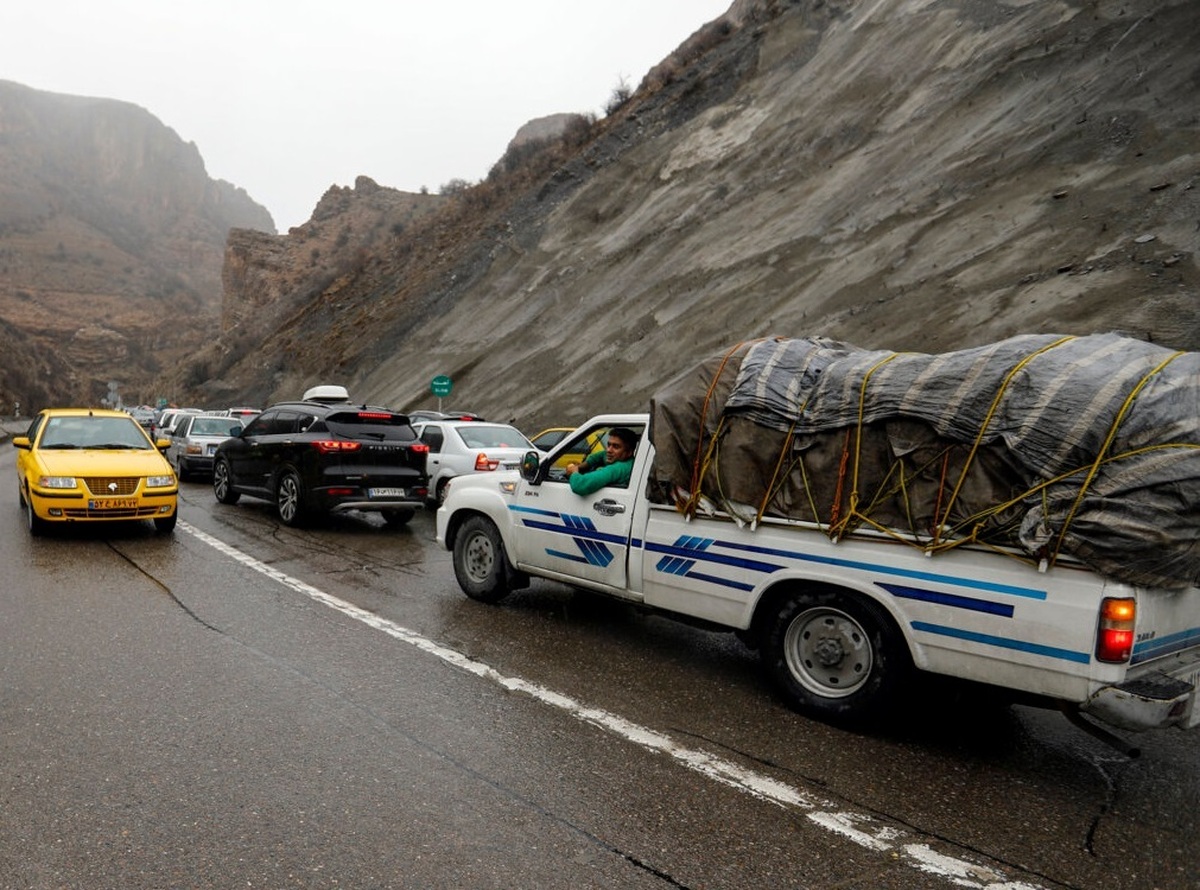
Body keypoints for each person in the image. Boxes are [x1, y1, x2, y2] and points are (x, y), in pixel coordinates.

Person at [565, 427, 638, 496]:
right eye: (609, 445)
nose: (609, 450)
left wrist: (574, 472)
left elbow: (580, 485)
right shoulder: (631, 463)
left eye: (616, 447)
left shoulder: (618, 468)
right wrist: (581, 466)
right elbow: (600, 456)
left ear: (629, 452)